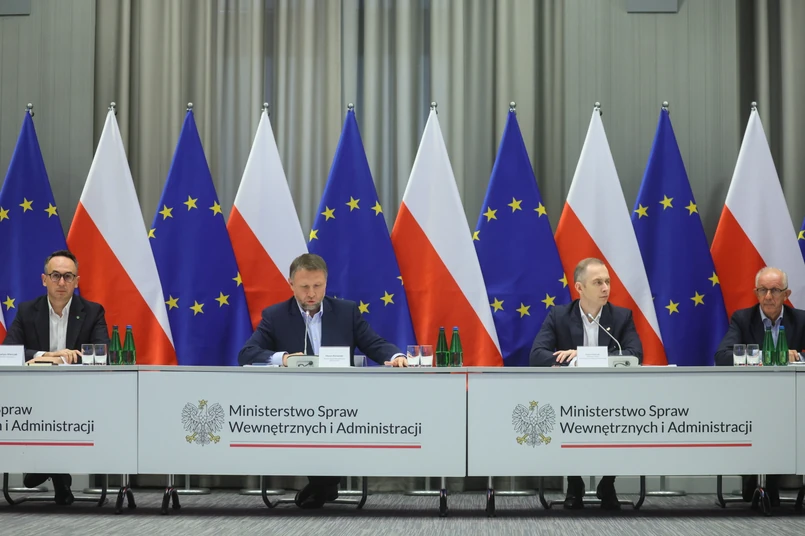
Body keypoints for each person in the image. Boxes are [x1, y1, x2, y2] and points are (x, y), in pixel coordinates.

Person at [238, 253, 408, 508]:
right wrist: (283, 358)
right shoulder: (276, 316)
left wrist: (396, 356)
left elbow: (374, 343)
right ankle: (325, 485)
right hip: (294, 403)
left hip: (343, 400)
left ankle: (321, 486)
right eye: (304, 286)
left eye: (317, 286)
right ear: (291, 284)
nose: (311, 293)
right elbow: (246, 353)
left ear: (326, 283)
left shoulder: (346, 312)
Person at [529, 258, 643, 510]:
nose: (606, 288)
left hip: (611, 397)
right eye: (598, 282)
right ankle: (574, 484)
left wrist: (583, 356)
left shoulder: (621, 317)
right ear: (579, 288)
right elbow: (537, 355)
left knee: (623, 417)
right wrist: (571, 361)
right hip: (569, 396)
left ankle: (608, 484)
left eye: (607, 281)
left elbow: (634, 354)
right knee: (563, 416)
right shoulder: (559, 315)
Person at [3, 249, 110, 505]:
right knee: (41, 410)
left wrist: (72, 357)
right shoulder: (27, 311)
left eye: (68, 276)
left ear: (77, 281)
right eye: (55, 276)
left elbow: (102, 353)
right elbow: (8, 352)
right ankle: (59, 477)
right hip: (35, 395)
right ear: (44, 279)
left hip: (80, 395)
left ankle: (45, 468)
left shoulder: (93, 311)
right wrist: (47, 355)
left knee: (60, 411)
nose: (61, 282)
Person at [714, 266, 805, 506]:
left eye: (775, 290)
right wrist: (768, 356)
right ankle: (759, 481)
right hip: (750, 400)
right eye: (762, 290)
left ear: (787, 294)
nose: (768, 296)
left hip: (792, 400)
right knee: (762, 418)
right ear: (756, 293)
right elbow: (722, 356)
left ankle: (764, 483)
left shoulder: (801, 319)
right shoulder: (743, 318)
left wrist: (798, 357)